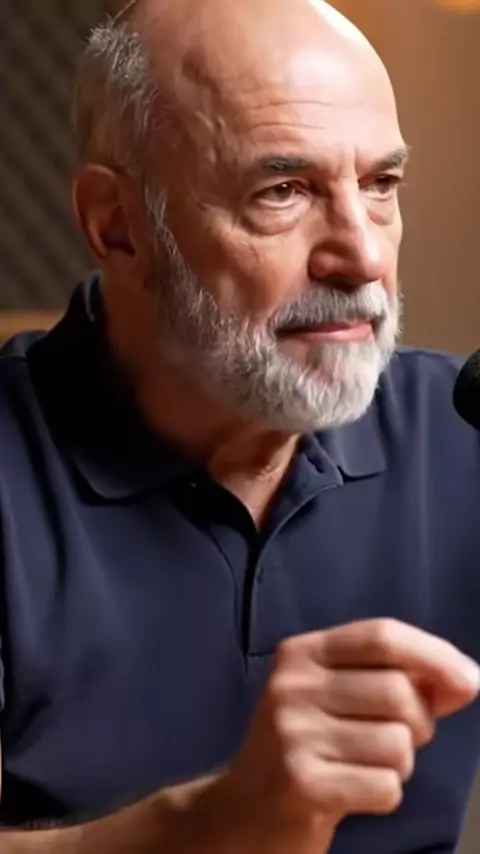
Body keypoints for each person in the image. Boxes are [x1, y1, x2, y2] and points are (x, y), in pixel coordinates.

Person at [1, 0, 480, 851]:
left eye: (381, 186)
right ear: (118, 226)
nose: (365, 257)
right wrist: (212, 826)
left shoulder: (463, 427)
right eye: (283, 191)